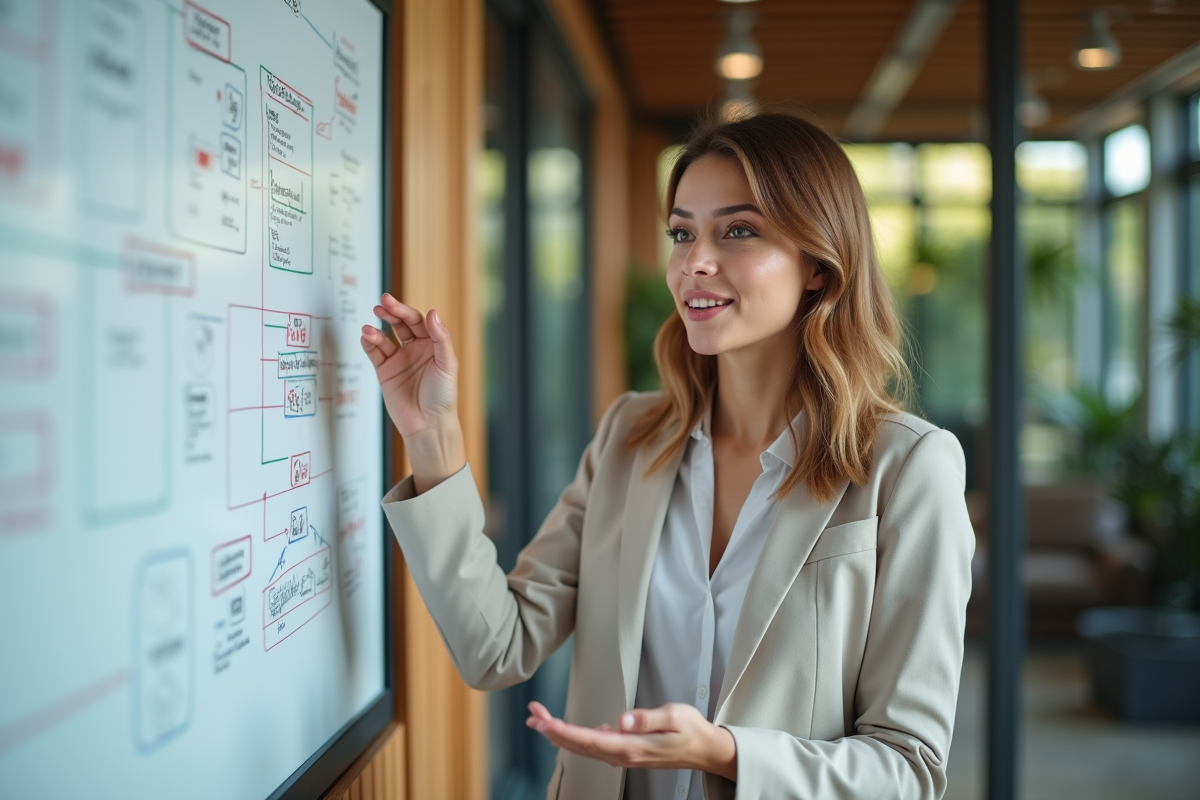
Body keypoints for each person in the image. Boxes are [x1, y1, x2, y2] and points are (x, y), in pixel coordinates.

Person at [360, 110, 974, 800]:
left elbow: (909, 767)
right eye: (682, 233)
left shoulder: (908, 468)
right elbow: (495, 648)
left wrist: (724, 753)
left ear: (818, 265)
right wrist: (431, 433)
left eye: (738, 231)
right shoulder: (629, 438)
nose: (694, 263)